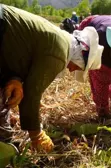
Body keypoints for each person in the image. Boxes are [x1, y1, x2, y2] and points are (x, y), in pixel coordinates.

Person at [0, 4, 104, 152]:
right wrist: (37, 135)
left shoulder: (60, 40)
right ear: (81, 58)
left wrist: (14, 78)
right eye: (79, 68)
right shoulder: (59, 54)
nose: (72, 69)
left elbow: (19, 49)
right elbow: (31, 93)